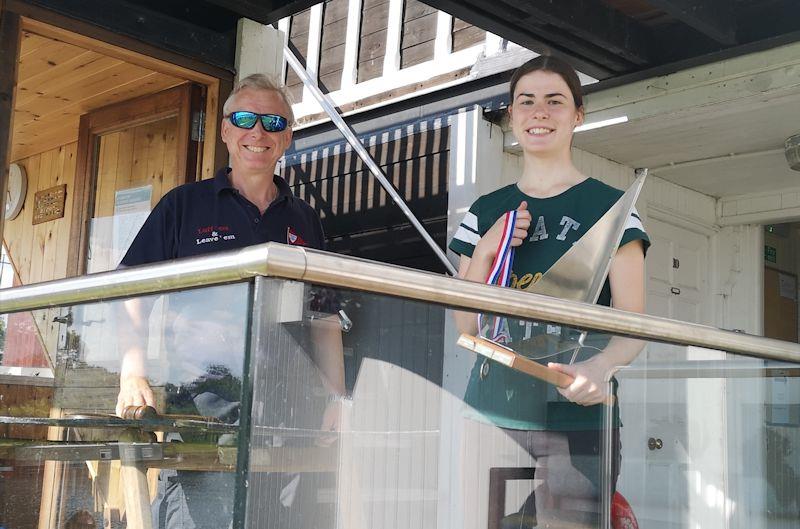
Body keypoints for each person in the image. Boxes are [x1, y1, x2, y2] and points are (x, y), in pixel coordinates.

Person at [114, 73, 346, 529]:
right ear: (225, 130)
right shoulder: (184, 205)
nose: (257, 132)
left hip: (289, 417)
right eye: (244, 118)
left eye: (273, 122)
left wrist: (338, 396)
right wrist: (132, 369)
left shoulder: (306, 220)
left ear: (287, 139)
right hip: (205, 412)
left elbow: (323, 317)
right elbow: (131, 289)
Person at [449, 56, 649, 528]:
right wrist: (484, 253)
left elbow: (635, 326)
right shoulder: (484, 211)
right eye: (527, 102)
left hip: (577, 417)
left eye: (554, 102)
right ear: (512, 115)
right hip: (491, 412)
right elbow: (465, 325)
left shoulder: (611, 209)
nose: (540, 112)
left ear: (578, 115)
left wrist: (601, 367)